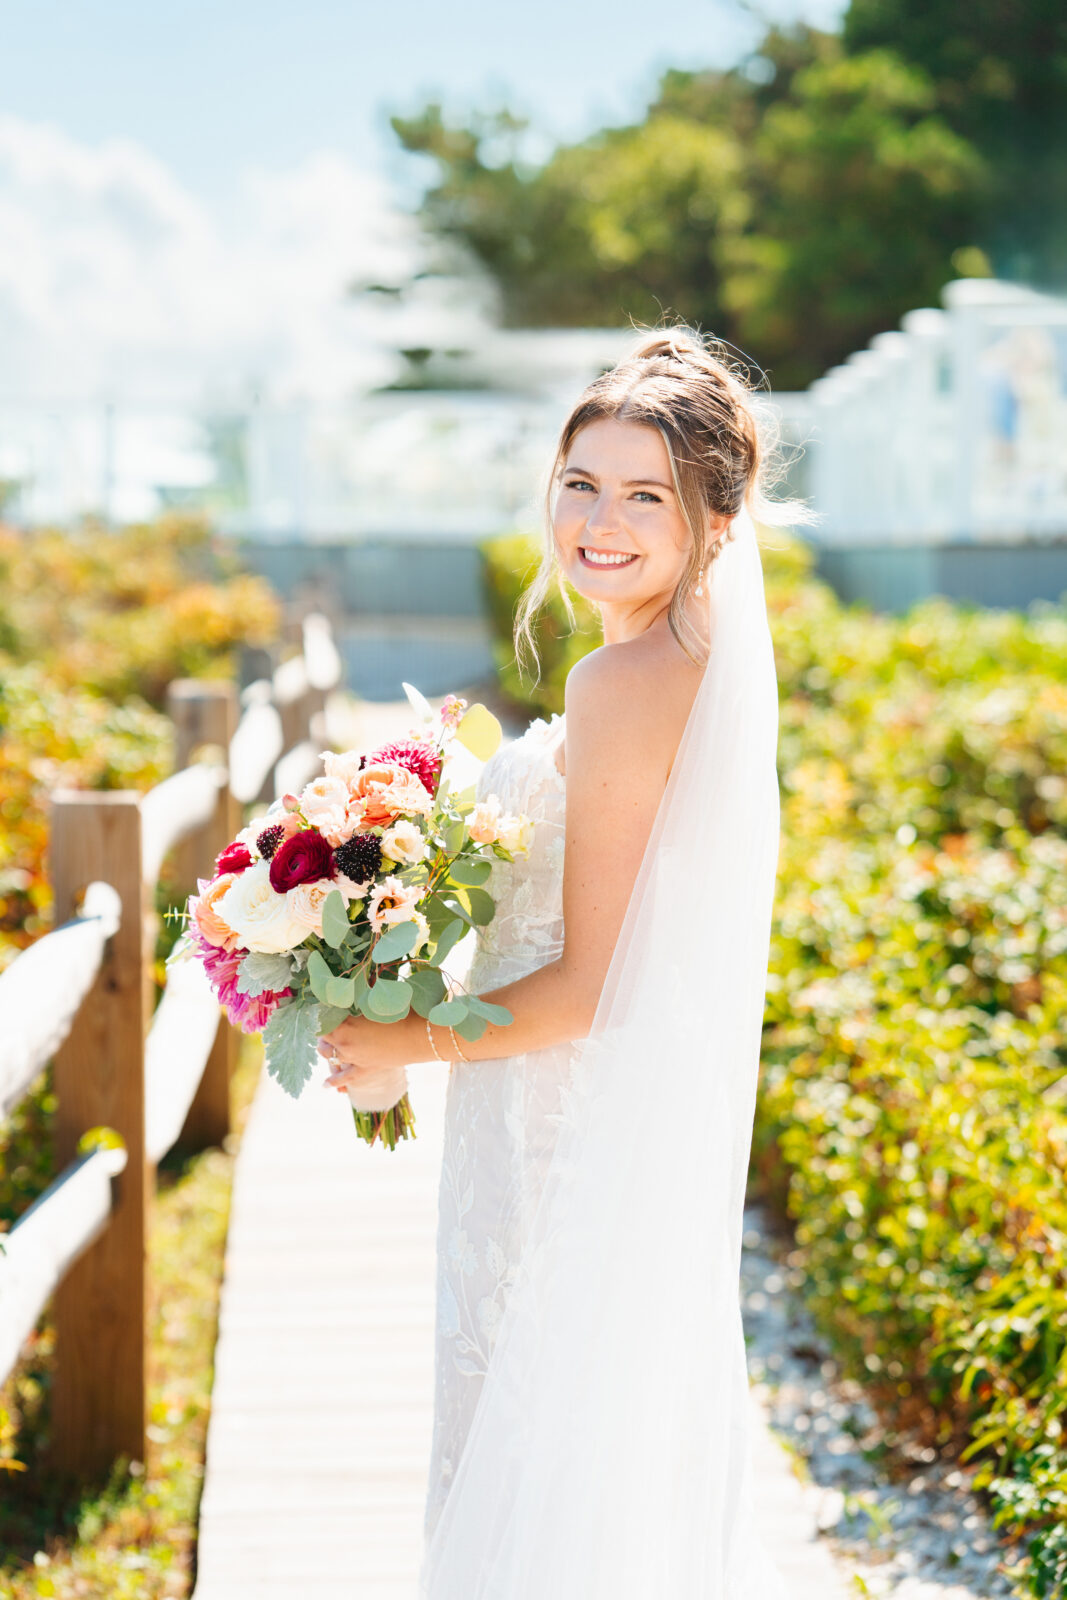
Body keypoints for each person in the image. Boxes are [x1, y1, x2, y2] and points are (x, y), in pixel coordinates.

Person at [320, 325, 804, 1597]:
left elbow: (589, 988)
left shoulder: (625, 682)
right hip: (598, 1116)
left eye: (645, 494)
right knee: (590, 1454)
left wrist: (393, 1041)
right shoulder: (688, 666)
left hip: (557, 1124)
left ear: (713, 517)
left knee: (534, 1461)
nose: (600, 519)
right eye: (579, 483)